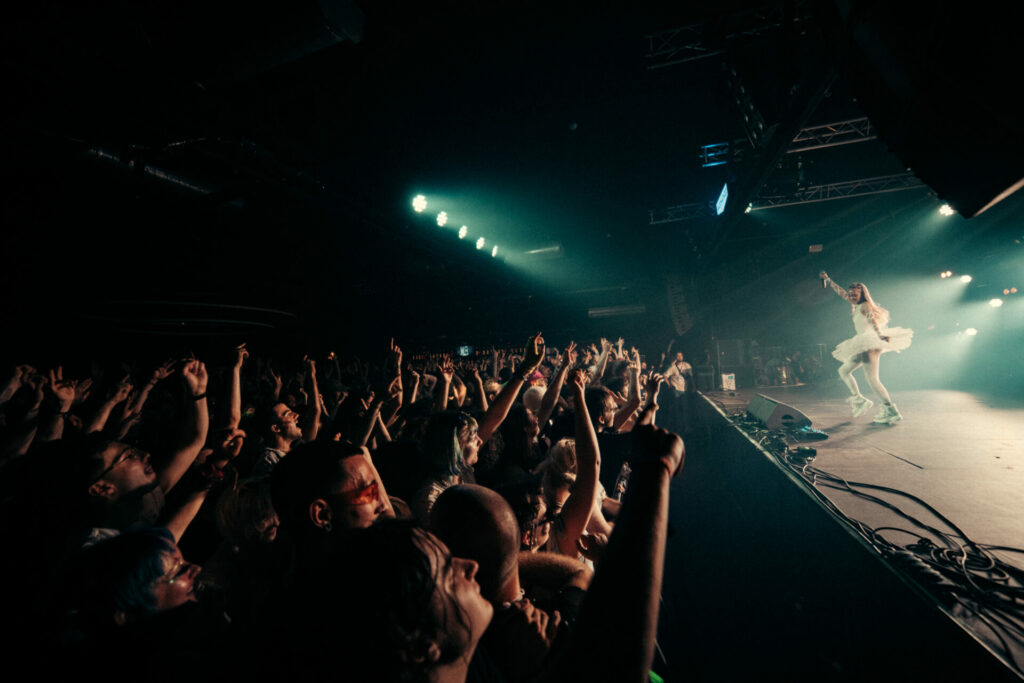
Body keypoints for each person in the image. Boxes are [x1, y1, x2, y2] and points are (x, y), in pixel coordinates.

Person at [820, 271, 913, 424]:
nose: (851, 296)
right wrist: (829, 280)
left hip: (869, 343)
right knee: (843, 370)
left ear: (862, 295)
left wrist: (880, 335)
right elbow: (842, 293)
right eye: (850, 294)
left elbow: (872, 322)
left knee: (872, 378)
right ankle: (859, 399)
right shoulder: (855, 304)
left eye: (854, 295)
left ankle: (890, 410)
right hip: (864, 343)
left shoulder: (865, 306)